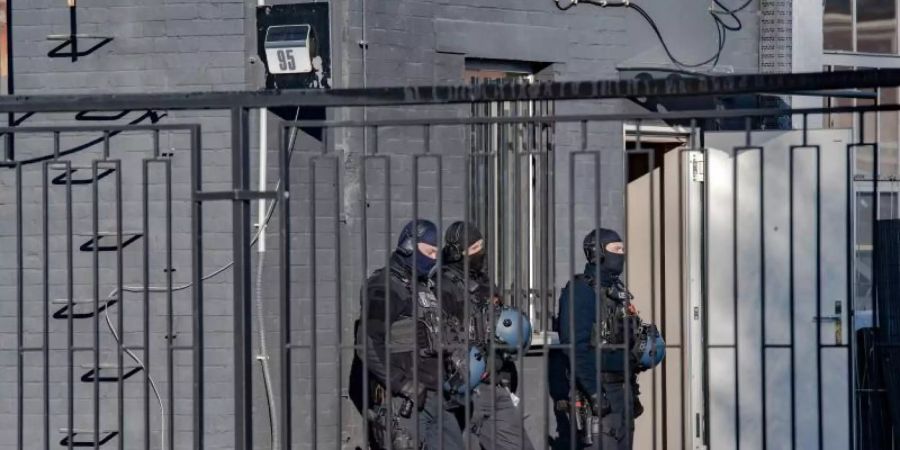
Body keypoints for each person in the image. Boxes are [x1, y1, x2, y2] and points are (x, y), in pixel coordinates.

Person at [349, 219, 466, 450]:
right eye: (429, 251)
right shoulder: (384, 286)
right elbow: (368, 345)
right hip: (405, 400)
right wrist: (402, 384)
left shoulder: (424, 287)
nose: (434, 258)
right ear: (409, 245)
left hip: (438, 398)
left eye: (436, 252)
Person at [550, 228, 664, 450]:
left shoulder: (617, 291)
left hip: (625, 391)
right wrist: (594, 393)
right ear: (597, 253)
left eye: (623, 249)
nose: (621, 254)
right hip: (600, 391)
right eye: (616, 249)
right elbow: (575, 347)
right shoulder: (580, 291)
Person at [435, 221, 536, 450]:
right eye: (474, 248)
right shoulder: (443, 285)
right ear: (457, 252)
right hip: (466, 386)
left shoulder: (484, 281)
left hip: (495, 383)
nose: (480, 253)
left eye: (482, 247)